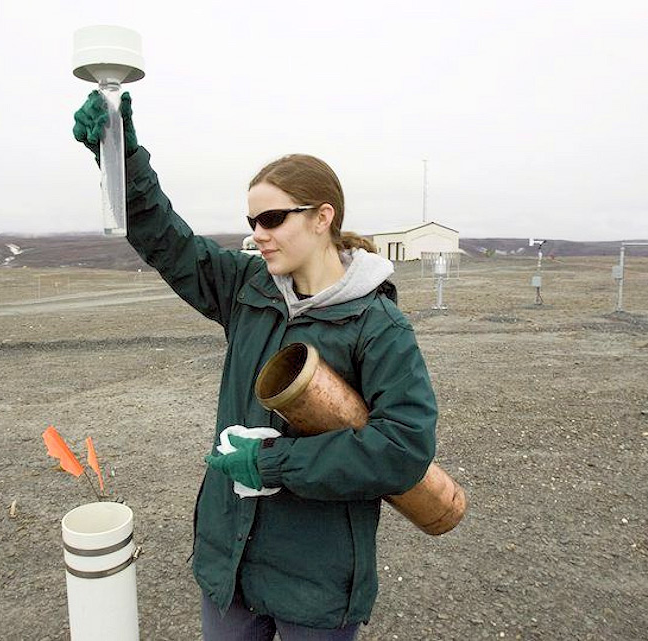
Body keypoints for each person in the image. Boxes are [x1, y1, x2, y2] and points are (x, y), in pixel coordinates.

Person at [73, 90, 437, 640]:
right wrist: (119, 155)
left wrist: (273, 464)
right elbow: (165, 239)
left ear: (322, 217)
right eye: (252, 221)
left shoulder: (377, 325)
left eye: (272, 218)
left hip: (315, 579)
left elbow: (404, 448)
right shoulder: (247, 288)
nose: (258, 234)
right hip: (230, 567)